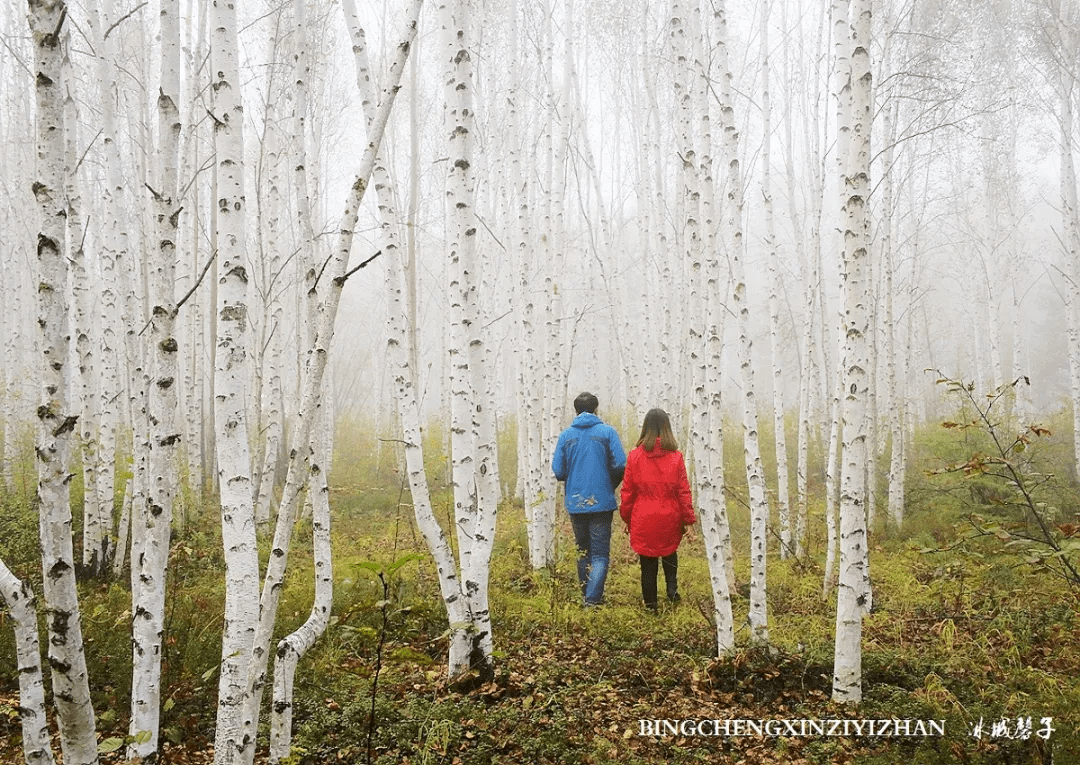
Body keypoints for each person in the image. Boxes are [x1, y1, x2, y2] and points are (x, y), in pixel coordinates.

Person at [552, 392, 627, 607]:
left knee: (582, 550)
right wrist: (609, 484)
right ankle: (593, 601)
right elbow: (621, 464)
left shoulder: (566, 436)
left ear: (575, 410)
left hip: (576, 502)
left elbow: (558, 470)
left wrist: (574, 479)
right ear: (596, 409)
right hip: (602, 501)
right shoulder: (607, 432)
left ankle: (587, 595)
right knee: (600, 554)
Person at [619, 408, 696, 611]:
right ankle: (672, 591)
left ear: (645, 428)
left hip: (643, 515)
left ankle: (650, 603)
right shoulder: (676, 457)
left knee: (648, 561)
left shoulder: (635, 457)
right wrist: (688, 520)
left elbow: (628, 491)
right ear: (667, 428)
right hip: (670, 514)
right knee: (670, 552)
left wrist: (626, 518)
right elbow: (683, 491)